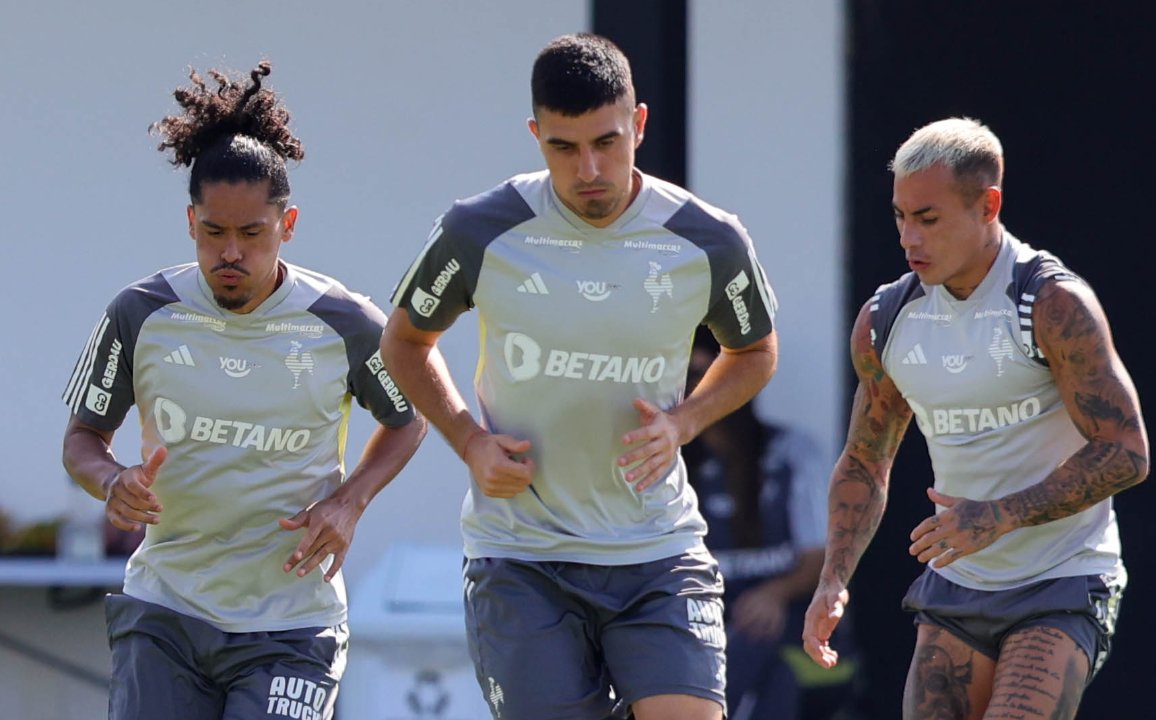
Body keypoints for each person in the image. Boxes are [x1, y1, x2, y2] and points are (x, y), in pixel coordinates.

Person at [380, 32, 778, 720]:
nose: (589, 168)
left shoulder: (708, 238)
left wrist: (685, 420)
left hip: (657, 547)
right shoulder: (481, 229)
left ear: (640, 125)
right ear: (535, 135)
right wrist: (469, 441)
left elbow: (755, 352)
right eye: (563, 147)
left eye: (607, 141)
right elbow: (405, 341)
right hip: (523, 556)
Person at [60, 61, 426, 720]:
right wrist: (113, 482)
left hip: (291, 625)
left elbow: (410, 419)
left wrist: (349, 502)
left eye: (251, 234)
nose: (231, 252)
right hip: (164, 613)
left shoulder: (345, 322)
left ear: (288, 225)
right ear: (190, 221)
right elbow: (82, 441)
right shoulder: (138, 312)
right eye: (214, 232)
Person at [802, 117, 1149, 719]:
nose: (909, 238)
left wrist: (999, 516)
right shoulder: (887, 318)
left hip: (1063, 581)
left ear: (989, 204)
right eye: (900, 217)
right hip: (959, 585)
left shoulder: (1049, 303)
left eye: (928, 219)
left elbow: (1126, 451)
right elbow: (865, 458)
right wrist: (833, 580)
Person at [684, 329, 861, 720]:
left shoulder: (792, 452)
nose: (701, 392)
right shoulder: (666, 463)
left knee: (764, 649)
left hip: (780, 621)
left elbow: (821, 555)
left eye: (712, 376)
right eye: (691, 379)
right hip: (701, 622)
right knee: (761, 666)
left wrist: (775, 594)